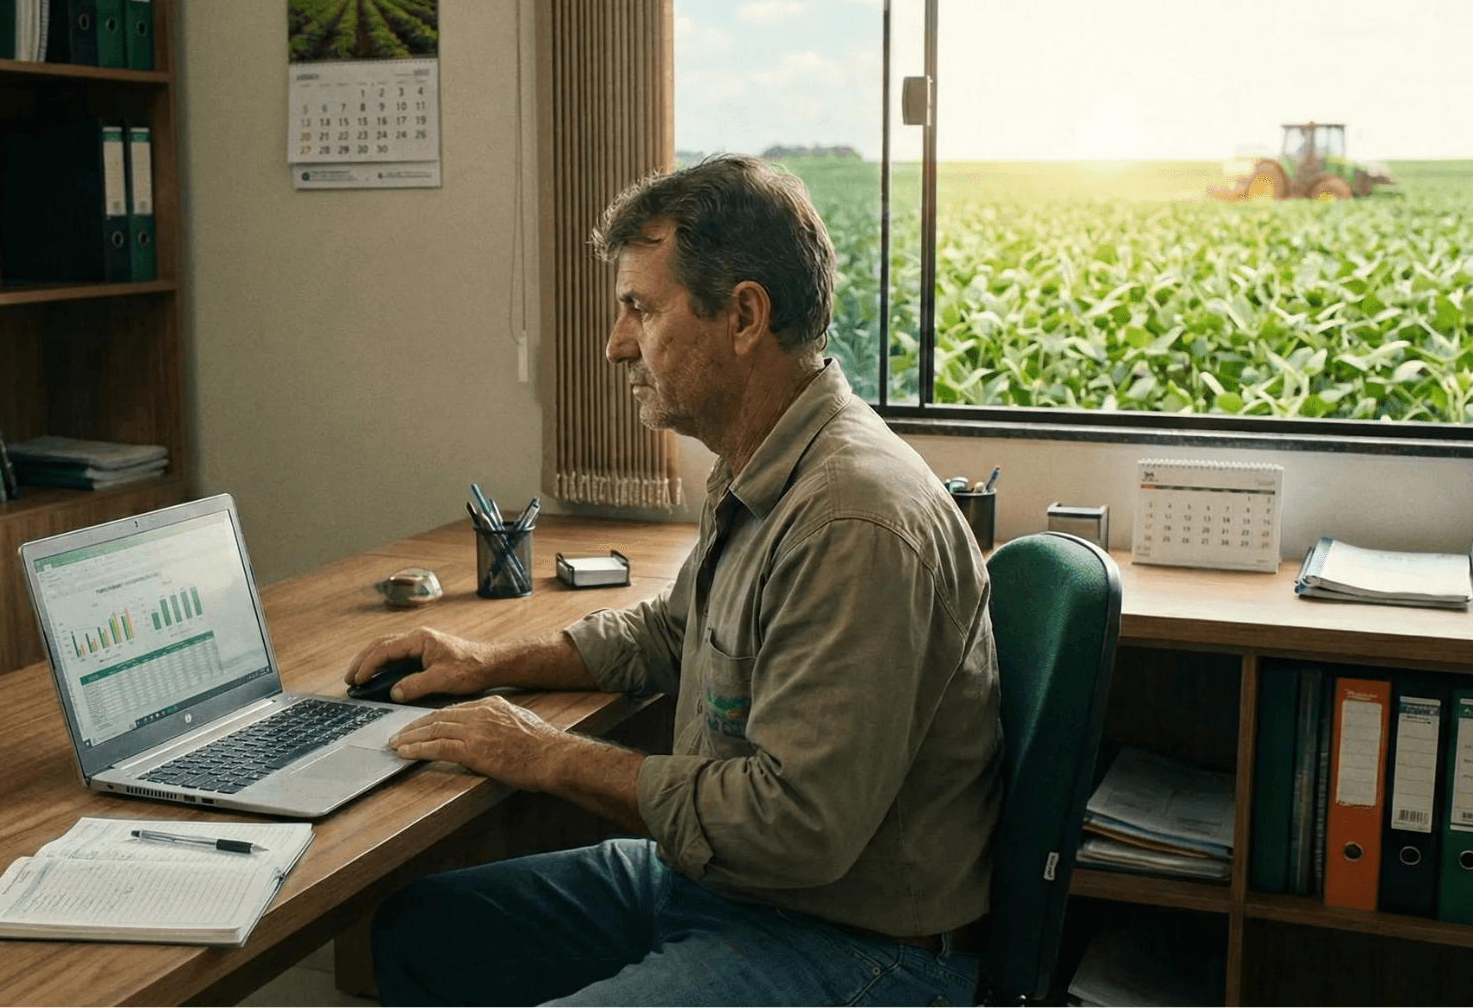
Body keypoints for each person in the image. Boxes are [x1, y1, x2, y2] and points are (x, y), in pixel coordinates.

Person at [344, 154, 1000, 1006]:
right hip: (725, 890)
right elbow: (674, 628)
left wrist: (546, 754)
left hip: (851, 941)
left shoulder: (851, 521)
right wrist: (486, 659)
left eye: (642, 309)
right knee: (421, 929)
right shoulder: (762, 457)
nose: (617, 343)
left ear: (744, 316)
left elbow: (793, 826)